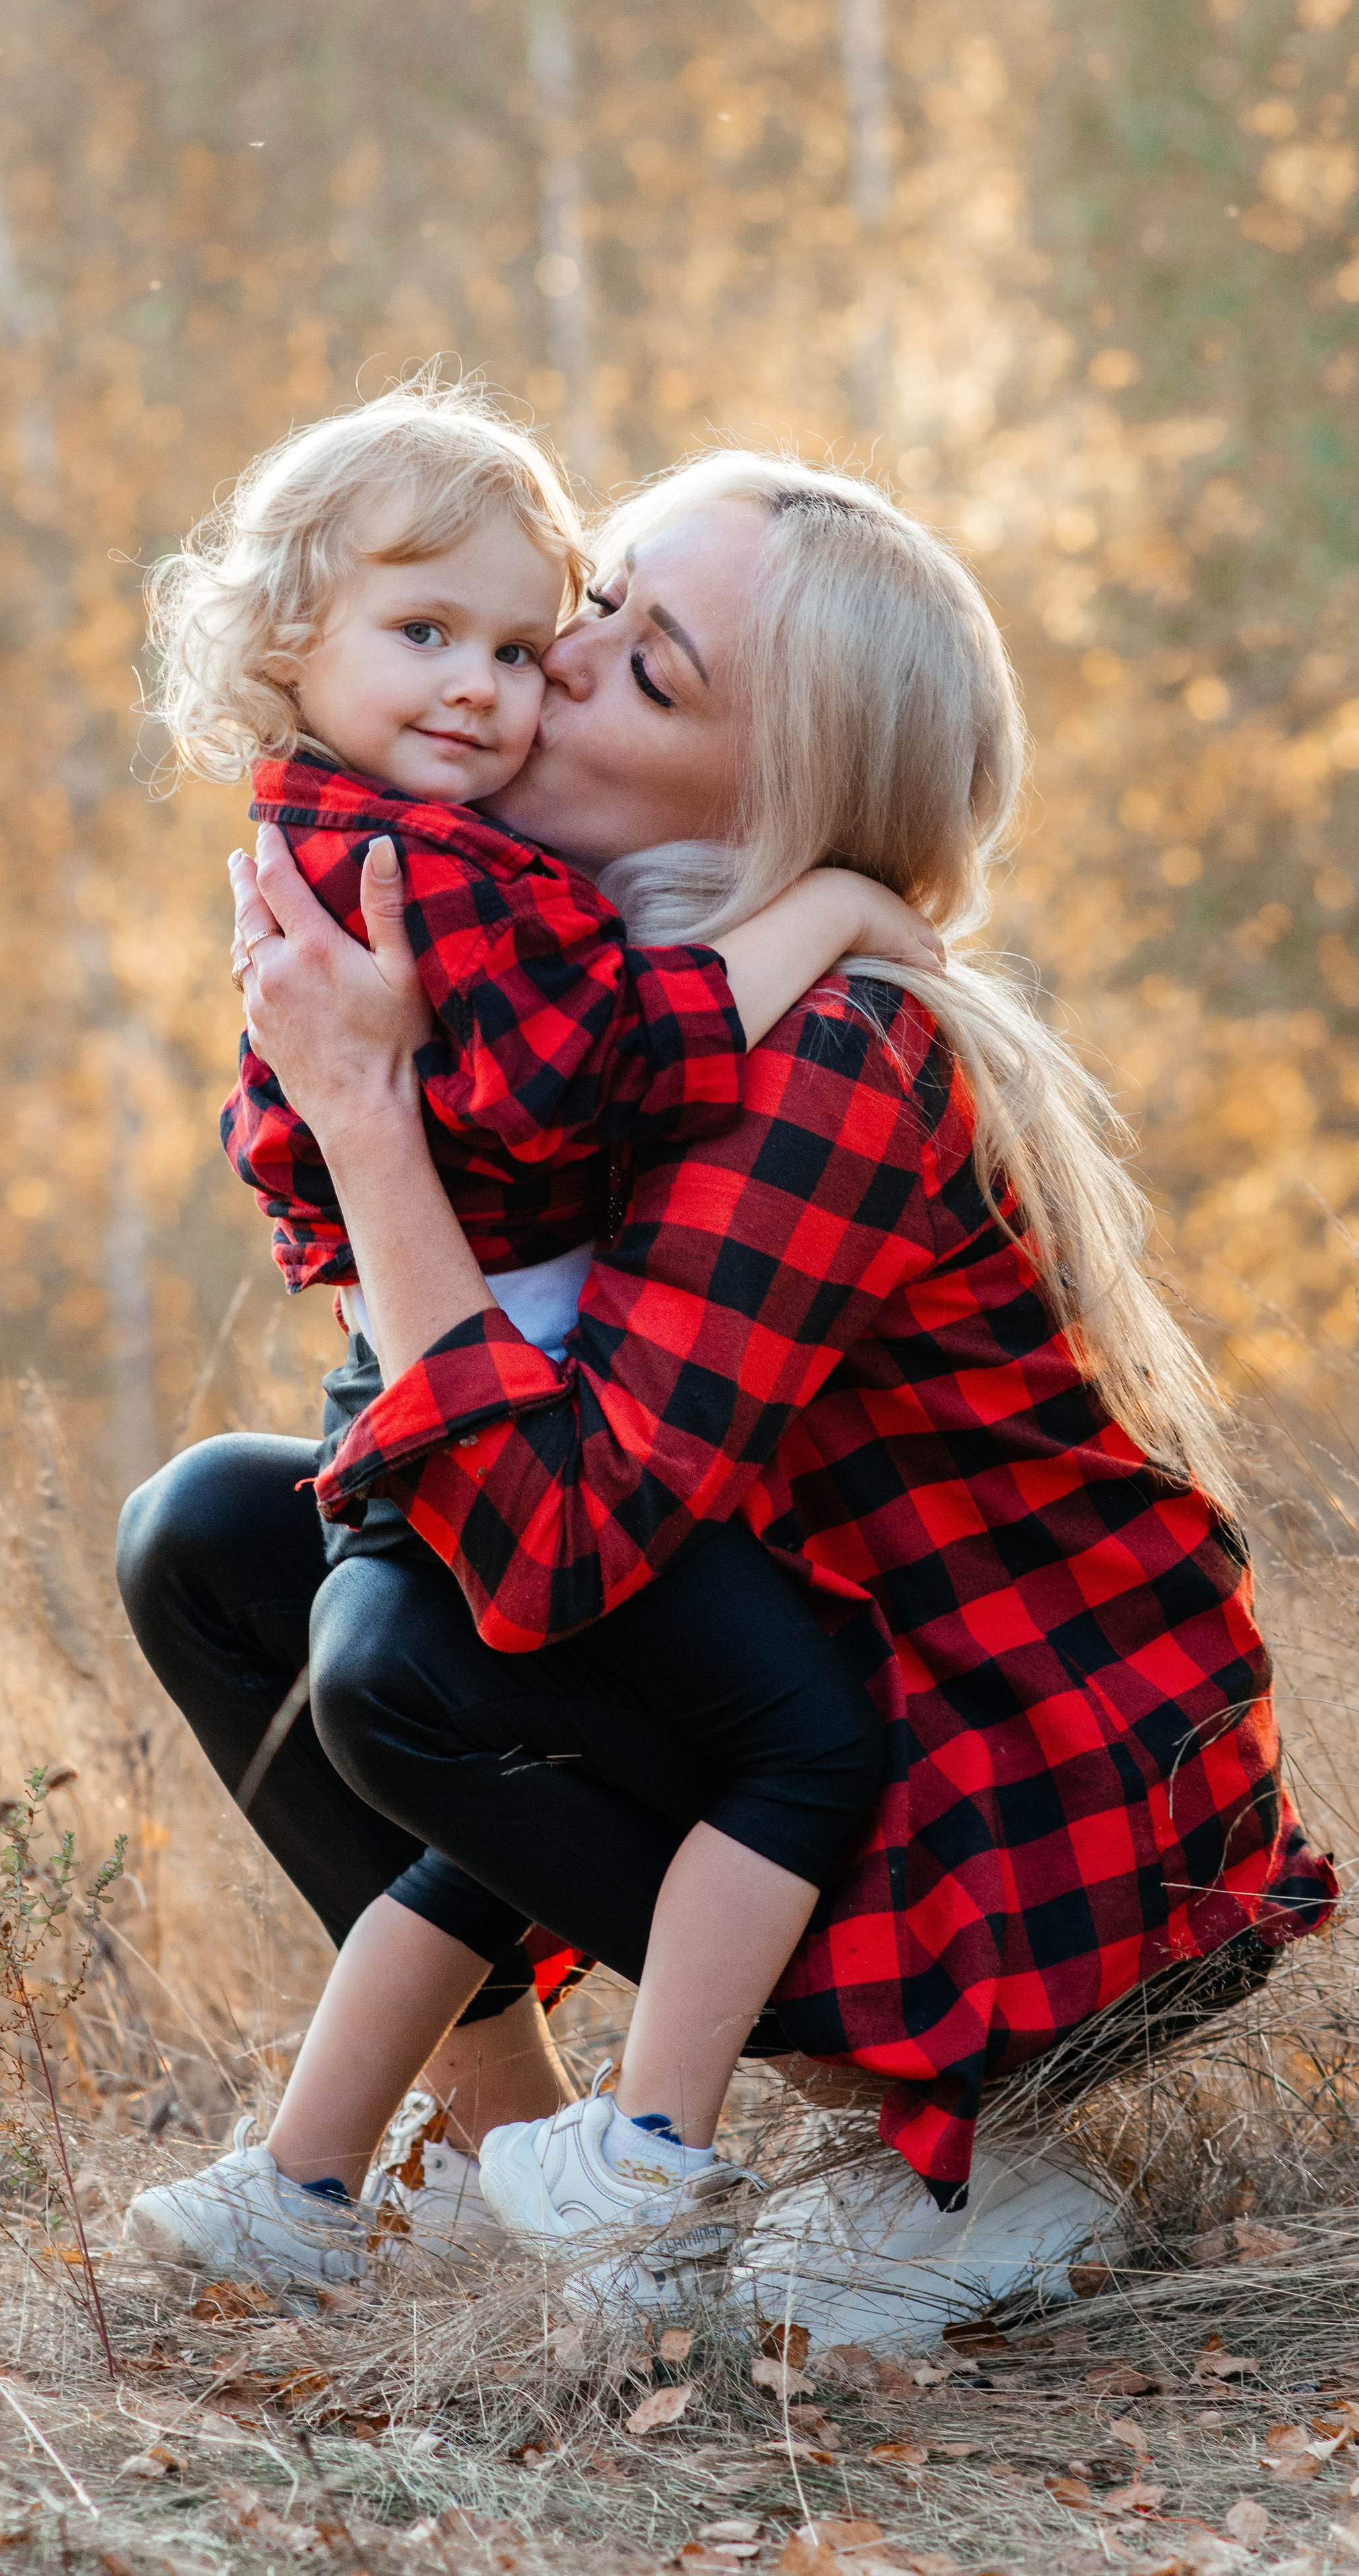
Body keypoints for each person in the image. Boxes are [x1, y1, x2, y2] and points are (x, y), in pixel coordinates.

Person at [119, 449, 1338, 2338]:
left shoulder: (820, 1051)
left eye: (643, 667)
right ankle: (466, 2168)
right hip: (828, 1689)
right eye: (589, 607)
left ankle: (922, 2151)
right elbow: (447, 1410)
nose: (547, 670)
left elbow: (548, 1550)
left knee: (404, 1656)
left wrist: (367, 1118)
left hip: (1033, 1838)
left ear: (773, 800)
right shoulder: (567, 974)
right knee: (213, 1537)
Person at [127, 392, 942, 2298]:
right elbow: (606, 1067)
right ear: (284, 648)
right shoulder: (437, 871)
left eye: (535, 639)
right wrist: (829, 903)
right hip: (495, 1398)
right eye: (435, 639)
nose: (507, 686)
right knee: (730, 1721)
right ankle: (609, 2158)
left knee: (448, 1693)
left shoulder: (388, 833)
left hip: (502, 1407)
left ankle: (323, 2182)